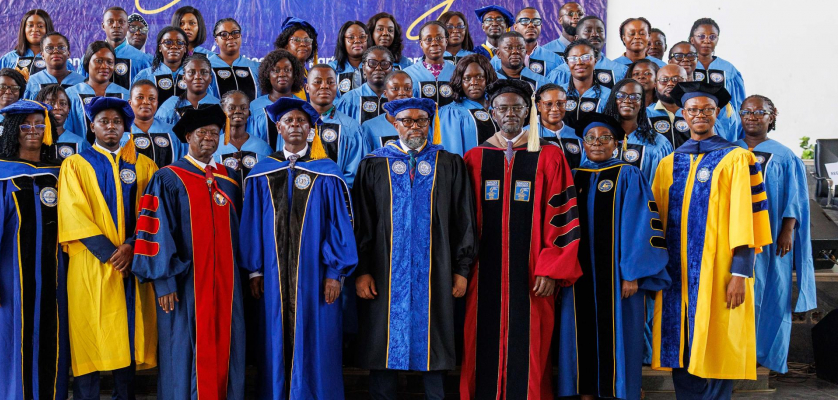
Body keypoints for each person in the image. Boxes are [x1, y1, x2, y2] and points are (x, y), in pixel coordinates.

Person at [459, 79, 582, 400]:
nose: (510, 113)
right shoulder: (475, 158)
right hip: (482, 275)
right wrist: (462, 269)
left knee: (532, 350)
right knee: (479, 344)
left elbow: (563, 216)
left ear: (529, 112)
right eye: (503, 108)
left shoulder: (550, 157)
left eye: (517, 107)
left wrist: (551, 269)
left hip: (533, 276)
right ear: (492, 112)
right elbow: (461, 221)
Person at [650, 82, 772, 399]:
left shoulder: (737, 159)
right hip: (675, 278)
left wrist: (740, 273)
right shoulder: (669, 163)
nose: (700, 115)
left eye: (707, 109)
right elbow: (655, 224)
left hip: (720, 273)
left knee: (717, 343)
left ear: (716, 113)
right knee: (681, 347)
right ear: (683, 114)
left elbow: (748, 219)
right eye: (693, 110)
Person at [353, 97, 477, 400]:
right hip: (384, 272)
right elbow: (363, 223)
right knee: (384, 341)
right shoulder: (374, 164)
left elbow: (464, 220)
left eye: (421, 120)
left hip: (437, 270)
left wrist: (462, 270)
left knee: (434, 339)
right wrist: (362, 270)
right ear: (395, 124)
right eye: (407, 120)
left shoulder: (449, 163)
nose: (415, 126)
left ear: (429, 123)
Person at [240, 97, 358, 400]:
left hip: (316, 277)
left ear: (310, 129)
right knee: (274, 337)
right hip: (272, 276)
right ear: (278, 128)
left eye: (301, 121)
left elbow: (338, 225)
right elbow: (252, 223)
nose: (295, 125)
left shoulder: (327, 172)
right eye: (288, 121)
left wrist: (335, 273)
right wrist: (254, 271)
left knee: (317, 337)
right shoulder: (263, 172)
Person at [131, 104, 246, 400]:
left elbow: (242, 232)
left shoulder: (230, 179)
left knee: (227, 345)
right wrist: (164, 282)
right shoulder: (168, 178)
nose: (208, 137)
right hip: (185, 285)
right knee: (183, 350)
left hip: (227, 285)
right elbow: (154, 232)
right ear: (188, 137)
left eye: (214, 133)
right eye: (201, 132)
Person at [556, 112, 670, 400]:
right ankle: (584, 391)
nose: (597, 143)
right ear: (583, 144)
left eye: (605, 138)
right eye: (591, 138)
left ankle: (619, 392)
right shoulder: (573, 177)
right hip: (578, 277)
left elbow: (641, 226)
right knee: (579, 334)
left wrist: (631, 273)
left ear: (616, 144)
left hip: (619, 279)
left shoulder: (628, 175)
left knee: (620, 336)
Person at [58, 97, 159, 400]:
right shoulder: (75, 164)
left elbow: (153, 211)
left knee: (125, 336)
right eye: (104, 121)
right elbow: (73, 213)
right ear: (92, 126)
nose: (111, 126)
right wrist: (112, 254)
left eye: (117, 122)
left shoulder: (144, 165)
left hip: (133, 262)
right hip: (91, 264)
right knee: (89, 334)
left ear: (125, 127)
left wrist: (130, 246)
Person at [0, 100, 69, 400]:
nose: (33, 130)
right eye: (25, 125)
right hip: (9, 276)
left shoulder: (59, 171)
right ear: (14, 130)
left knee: (50, 338)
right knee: (9, 341)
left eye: (39, 124)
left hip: (53, 274)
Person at [735, 95, 816, 374]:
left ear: (772, 116)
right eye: (747, 111)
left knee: (772, 293)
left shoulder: (784, 155)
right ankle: (735, 349)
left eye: (760, 112)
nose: (752, 117)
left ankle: (762, 353)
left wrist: (787, 230)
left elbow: (796, 197)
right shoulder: (729, 150)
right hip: (736, 237)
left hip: (771, 238)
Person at [0, 10, 74, 109]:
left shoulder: (60, 61)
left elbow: (72, 92)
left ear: (47, 29)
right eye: (30, 25)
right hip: (13, 114)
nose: (35, 29)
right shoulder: (9, 59)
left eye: (40, 26)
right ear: (24, 29)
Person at [646, 65, 740, 148]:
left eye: (677, 79)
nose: (670, 83)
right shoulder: (645, 115)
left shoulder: (704, 115)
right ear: (655, 84)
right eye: (664, 80)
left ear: (687, 82)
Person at [601, 78, 673, 184]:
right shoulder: (599, 139)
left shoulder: (658, 143)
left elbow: (664, 184)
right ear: (613, 100)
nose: (627, 100)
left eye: (635, 97)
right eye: (621, 95)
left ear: (642, 103)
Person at [66, 41, 131, 144]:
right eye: (99, 61)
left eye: (109, 62)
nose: (105, 66)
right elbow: (67, 132)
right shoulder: (70, 94)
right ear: (87, 62)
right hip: (80, 153)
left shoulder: (125, 95)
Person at [438, 54, 498, 155]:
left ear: (488, 79)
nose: (473, 82)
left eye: (479, 77)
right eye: (467, 78)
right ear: (459, 82)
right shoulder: (452, 113)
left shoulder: (497, 108)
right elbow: (452, 156)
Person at [546, 16, 628, 89]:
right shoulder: (559, 73)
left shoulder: (621, 71)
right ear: (576, 38)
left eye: (600, 31)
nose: (595, 34)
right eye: (588, 31)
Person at [249, 49, 306, 149]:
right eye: (276, 70)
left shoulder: (302, 106)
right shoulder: (255, 107)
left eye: (287, 70)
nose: (282, 74)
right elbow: (250, 140)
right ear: (267, 75)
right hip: (262, 158)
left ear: (294, 75)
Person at [690, 18, 746, 112]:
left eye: (712, 37)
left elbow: (739, 104)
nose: (707, 41)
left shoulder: (728, 69)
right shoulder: (685, 68)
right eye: (701, 36)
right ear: (692, 39)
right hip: (693, 119)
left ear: (717, 40)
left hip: (725, 120)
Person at [213, 90, 273, 176]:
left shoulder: (263, 148)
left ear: (249, 112)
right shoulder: (214, 147)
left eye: (243, 108)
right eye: (231, 108)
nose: (238, 111)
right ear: (223, 112)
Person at [491, 7, 564, 77]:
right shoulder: (497, 60)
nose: (531, 25)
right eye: (525, 21)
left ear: (541, 27)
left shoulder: (555, 60)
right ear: (515, 27)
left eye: (536, 21)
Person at [126, 79, 183, 167]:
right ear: (130, 103)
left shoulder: (173, 132)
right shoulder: (122, 133)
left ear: (157, 103)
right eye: (140, 97)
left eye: (151, 98)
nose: (146, 102)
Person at [133, 27, 192, 108]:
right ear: (160, 48)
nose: (174, 46)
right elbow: (134, 107)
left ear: (185, 48)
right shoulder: (145, 76)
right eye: (168, 42)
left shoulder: (194, 76)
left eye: (179, 43)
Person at [155, 54, 221, 125]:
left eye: (204, 72)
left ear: (210, 78)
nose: (198, 76)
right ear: (184, 78)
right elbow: (159, 130)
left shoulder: (219, 106)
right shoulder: (168, 107)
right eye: (191, 72)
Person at [334, 46, 394, 124]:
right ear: (364, 69)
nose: (378, 68)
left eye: (384, 64)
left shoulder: (398, 98)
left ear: (392, 69)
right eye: (372, 63)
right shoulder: (349, 100)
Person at [559, 40, 613, 123]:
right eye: (573, 59)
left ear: (595, 61)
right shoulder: (559, 93)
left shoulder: (608, 95)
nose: (579, 63)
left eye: (585, 57)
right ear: (567, 63)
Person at [404, 21, 456, 108]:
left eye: (439, 38)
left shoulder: (457, 72)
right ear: (421, 44)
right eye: (428, 39)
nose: (434, 43)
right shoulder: (407, 74)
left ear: (446, 41)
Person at [533, 83, 585, 169]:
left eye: (560, 103)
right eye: (548, 104)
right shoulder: (527, 135)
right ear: (539, 106)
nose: (555, 109)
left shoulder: (577, 136)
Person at [99, 7, 152, 90]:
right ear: (103, 26)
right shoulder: (91, 57)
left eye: (121, 22)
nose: (116, 25)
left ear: (127, 26)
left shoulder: (142, 60)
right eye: (110, 21)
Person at [24, 32, 86, 100]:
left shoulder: (82, 82)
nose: (56, 51)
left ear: (68, 54)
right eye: (49, 48)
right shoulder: (33, 82)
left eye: (61, 47)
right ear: (42, 55)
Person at [210, 18, 261, 100]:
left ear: (240, 36)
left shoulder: (255, 67)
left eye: (235, 33)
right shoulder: (207, 66)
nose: (230, 37)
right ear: (216, 41)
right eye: (224, 34)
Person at [361, 71, 413, 150]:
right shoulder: (370, 127)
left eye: (407, 88)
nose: (402, 93)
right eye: (395, 88)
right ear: (385, 93)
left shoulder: (421, 124)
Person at [37, 84, 83, 161]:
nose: (57, 107)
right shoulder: (33, 139)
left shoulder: (80, 143)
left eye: (63, 104)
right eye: (51, 103)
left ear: (68, 109)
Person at [331, 21, 371, 97]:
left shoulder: (375, 67)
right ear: (343, 41)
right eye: (351, 37)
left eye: (362, 37)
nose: (357, 41)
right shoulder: (331, 69)